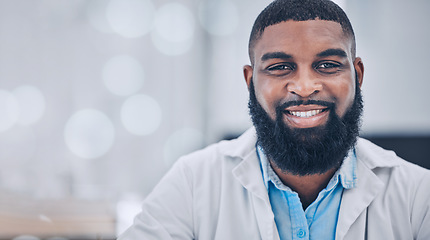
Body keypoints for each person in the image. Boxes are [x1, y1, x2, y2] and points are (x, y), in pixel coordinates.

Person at [118, 0, 430, 239]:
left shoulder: (418, 197)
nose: (305, 87)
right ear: (250, 81)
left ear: (357, 75)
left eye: (327, 65)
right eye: (280, 67)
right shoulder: (192, 182)